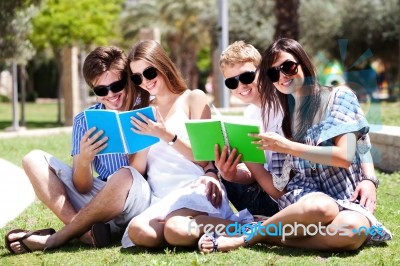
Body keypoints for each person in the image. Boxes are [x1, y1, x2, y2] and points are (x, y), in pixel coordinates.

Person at [199, 38, 391, 253]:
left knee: (353, 230)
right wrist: (236, 164)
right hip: (304, 197)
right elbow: (276, 187)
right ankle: (252, 236)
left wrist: (369, 179)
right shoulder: (282, 116)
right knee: (321, 206)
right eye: (274, 73)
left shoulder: (331, 98)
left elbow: (355, 142)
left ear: (303, 62)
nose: (282, 76)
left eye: (288, 67)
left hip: (344, 194)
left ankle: (260, 234)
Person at [5, 46, 152, 254]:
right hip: (99, 200)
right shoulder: (85, 121)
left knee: (124, 175)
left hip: (137, 199)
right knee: (33, 159)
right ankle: (84, 232)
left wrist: (141, 142)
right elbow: (82, 188)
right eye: (101, 90)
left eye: (117, 85)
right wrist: (84, 160)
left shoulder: (145, 110)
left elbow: (139, 173)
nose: (111, 95)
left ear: (127, 79)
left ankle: (62, 236)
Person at [120, 40, 253, 249]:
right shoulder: (142, 111)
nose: (145, 81)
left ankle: (246, 228)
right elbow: (137, 170)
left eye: (149, 73)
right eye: (137, 77)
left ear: (162, 65)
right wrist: (147, 138)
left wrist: (166, 135)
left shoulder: (193, 98)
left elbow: (204, 157)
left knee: (175, 230)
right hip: (161, 194)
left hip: (196, 187)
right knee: (140, 232)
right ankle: (198, 230)